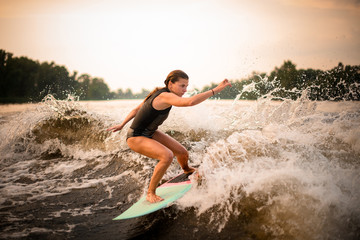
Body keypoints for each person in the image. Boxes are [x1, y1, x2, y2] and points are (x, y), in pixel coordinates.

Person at [107, 70, 231, 203]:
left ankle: (187, 169)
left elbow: (137, 110)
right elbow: (189, 102)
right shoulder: (164, 96)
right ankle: (150, 193)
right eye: (182, 86)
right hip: (136, 137)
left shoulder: (159, 93)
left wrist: (122, 124)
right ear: (171, 84)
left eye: (186, 86)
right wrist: (216, 90)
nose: (185, 89)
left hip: (150, 132)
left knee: (182, 153)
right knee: (167, 156)